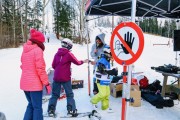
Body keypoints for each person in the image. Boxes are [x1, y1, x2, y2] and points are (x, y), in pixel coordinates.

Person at [47, 38, 88, 117]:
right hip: (66, 78)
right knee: (69, 94)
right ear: (69, 46)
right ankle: (71, 110)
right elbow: (77, 62)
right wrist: (84, 61)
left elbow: (53, 65)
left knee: (55, 94)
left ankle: (51, 110)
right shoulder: (69, 54)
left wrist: (59, 68)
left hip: (56, 77)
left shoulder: (57, 54)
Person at [20, 28, 52, 120]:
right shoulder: (38, 50)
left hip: (25, 83)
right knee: (37, 107)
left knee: (31, 104)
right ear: (39, 41)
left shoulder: (25, 50)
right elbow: (40, 69)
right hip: (34, 85)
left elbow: (23, 65)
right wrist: (46, 83)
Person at [90, 45, 118, 112]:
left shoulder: (108, 60)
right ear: (108, 52)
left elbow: (108, 70)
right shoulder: (102, 59)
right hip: (100, 80)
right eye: (112, 53)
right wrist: (111, 72)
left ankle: (105, 107)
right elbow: (101, 70)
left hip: (106, 80)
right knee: (102, 94)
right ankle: (93, 101)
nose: (113, 55)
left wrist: (114, 71)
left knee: (107, 94)